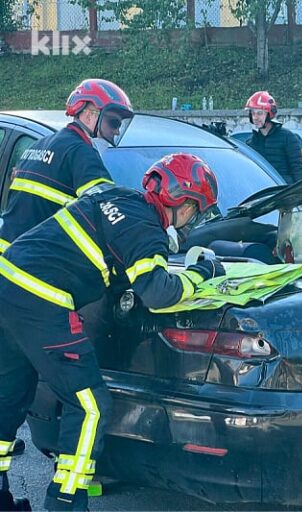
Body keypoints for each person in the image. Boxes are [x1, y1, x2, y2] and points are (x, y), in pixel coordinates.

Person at [0, 153, 225, 511]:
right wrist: (201, 274)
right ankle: (65, 501)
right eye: (195, 210)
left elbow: (102, 252)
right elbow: (158, 292)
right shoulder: (145, 229)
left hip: (6, 286)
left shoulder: (118, 199)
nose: (192, 220)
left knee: (9, 395)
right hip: (42, 300)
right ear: (182, 201)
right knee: (90, 406)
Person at [0, 78, 134, 254]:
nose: (116, 131)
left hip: (9, 251)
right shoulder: (80, 152)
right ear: (89, 115)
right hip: (36, 261)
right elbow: (108, 206)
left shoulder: (38, 146)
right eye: (113, 122)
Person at [244, 91, 302, 184]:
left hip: (283, 192)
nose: (255, 117)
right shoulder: (251, 142)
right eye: (253, 113)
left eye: (259, 113)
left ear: (269, 114)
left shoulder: (288, 138)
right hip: (262, 193)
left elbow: (297, 171)